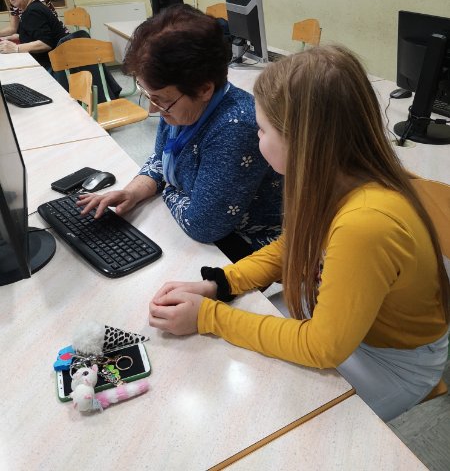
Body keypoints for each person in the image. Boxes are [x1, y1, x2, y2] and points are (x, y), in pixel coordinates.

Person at [148, 45, 449, 422]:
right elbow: (291, 246)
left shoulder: (365, 223)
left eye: (262, 129)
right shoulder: (333, 176)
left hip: (390, 362)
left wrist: (209, 317)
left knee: (261, 412)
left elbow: (322, 347)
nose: (256, 136)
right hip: (342, 323)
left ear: (303, 141)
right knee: (230, 364)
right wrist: (222, 283)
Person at [77, 4, 282, 261]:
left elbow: (203, 225)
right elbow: (161, 158)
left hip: (248, 247)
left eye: (160, 99)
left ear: (204, 89)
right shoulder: (180, 104)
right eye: (148, 95)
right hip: (208, 234)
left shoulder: (235, 128)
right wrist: (133, 191)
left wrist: (168, 189)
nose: (153, 109)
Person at [0, 0, 67, 69]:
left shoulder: (33, 11)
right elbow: (32, 34)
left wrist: (15, 48)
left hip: (54, 66)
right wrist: (8, 38)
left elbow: (46, 43)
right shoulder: (30, 8)